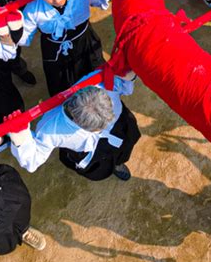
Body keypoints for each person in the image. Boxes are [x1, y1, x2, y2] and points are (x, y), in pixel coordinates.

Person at [9, 68, 140, 181]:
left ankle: (119, 162)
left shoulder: (101, 81)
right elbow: (33, 159)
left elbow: (124, 84)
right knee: (101, 168)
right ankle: (114, 166)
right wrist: (21, 140)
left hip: (120, 127)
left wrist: (128, 74)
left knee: (126, 146)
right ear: (81, 125)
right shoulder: (51, 128)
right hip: (89, 152)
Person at [19, 0, 110, 95]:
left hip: (85, 40)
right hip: (55, 51)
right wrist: (11, 29)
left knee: (96, 77)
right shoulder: (33, 9)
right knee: (62, 87)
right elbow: (23, 38)